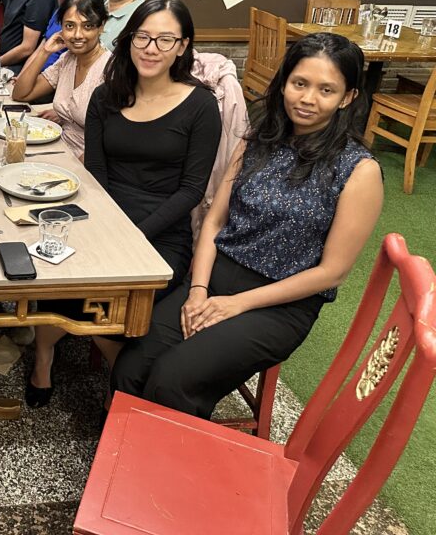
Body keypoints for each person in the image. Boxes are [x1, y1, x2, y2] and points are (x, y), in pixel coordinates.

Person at [112, 33, 383, 419]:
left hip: (280, 305)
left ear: (347, 97)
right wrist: (198, 290)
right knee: (130, 367)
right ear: (284, 83)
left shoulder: (359, 170)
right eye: (299, 83)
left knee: (172, 379)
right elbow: (215, 221)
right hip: (215, 278)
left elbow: (331, 272)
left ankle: (165, 455)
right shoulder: (258, 139)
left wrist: (236, 304)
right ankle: (126, 448)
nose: (307, 98)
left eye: (326, 90)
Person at [27, 0, 221, 408]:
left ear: (183, 46)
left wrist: (133, 233)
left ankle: (122, 381)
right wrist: (104, 226)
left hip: (161, 230)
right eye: (142, 37)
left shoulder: (201, 105)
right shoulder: (107, 96)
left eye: (165, 40)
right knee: (52, 262)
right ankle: (44, 354)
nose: (151, 48)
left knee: (119, 292)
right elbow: (97, 172)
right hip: (104, 212)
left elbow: (191, 190)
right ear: (129, 39)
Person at [12, 0, 111, 158]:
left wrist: (75, 165)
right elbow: (20, 94)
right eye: (69, 26)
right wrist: (45, 51)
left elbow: (112, 140)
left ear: (101, 26)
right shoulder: (68, 59)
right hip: (60, 146)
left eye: (87, 26)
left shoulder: (110, 69)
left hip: (87, 160)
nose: (77, 35)